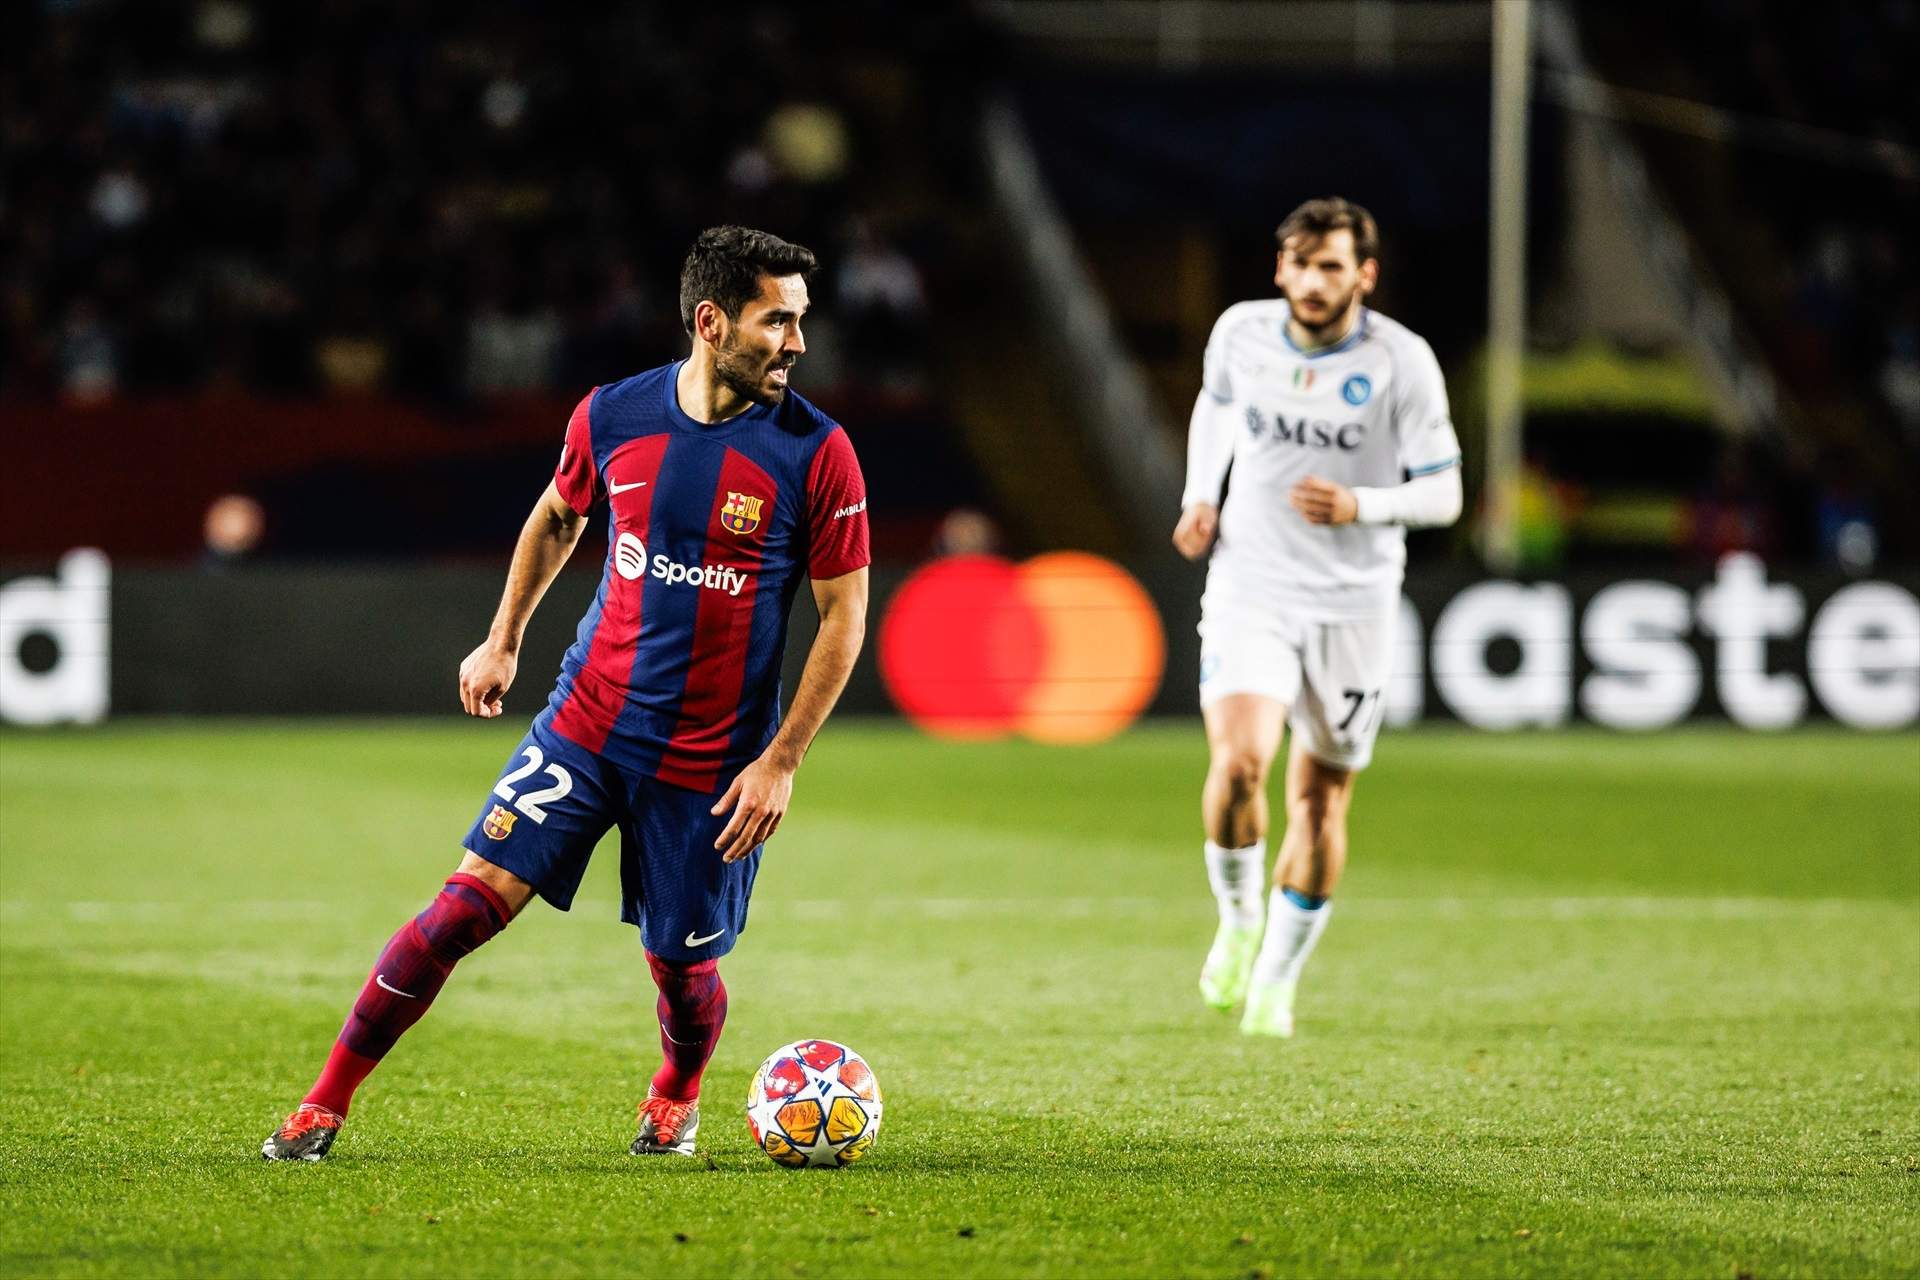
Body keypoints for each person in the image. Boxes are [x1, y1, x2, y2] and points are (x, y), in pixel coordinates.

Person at [263, 226, 870, 1159]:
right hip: (586, 724)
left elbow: (842, 618)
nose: (796, 343)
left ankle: (677, 1088)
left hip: (710, 762)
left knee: (679, 966)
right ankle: (323, 1104)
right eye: (775, 321)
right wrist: (503, 638)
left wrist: (780, 761)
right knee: (459, 910)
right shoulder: (613, 417)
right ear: (711, 323)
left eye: (799, 321)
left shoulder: (816, 453)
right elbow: (557, 514)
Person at [1172, 198, 1462, 1038]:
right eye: (1299, 263)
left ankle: (1278, 980)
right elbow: (1216, 406)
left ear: (1364, 276)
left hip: (1353, 603)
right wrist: (1201, 494)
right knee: (1238, 766)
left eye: (1331, 265)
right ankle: (1237, 918)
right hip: (1251, 583)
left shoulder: (1403, 362)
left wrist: (1362, 504)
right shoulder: (1240, 333)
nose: (1311, 279)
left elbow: (1445, 491)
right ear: (1279, 269)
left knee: (1321, 799)